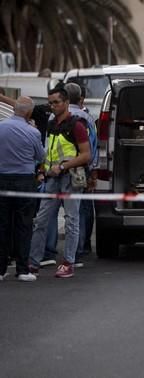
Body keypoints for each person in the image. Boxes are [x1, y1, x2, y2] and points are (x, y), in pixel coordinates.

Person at [28, 87, 91, 278]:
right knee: (41, 220)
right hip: (52, 177)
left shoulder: (77, 125)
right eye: (51, 103)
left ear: (65, 102)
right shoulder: (51, 124)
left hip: (70, 177)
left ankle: (68, 262)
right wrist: (42, 169)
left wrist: (63, 167)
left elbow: (86, 155)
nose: (52, 106)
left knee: (71, 220)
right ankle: (33, 262)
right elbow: (49, 150)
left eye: (56, 102)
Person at [0, 97, 45, 282]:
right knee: (24, 225)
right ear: (28, 113)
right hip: (25, 180)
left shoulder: (1, 126)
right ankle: (22, 268)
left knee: (2, 225)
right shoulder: (32, 132)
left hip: (2, 178)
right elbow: (40, 155)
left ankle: (1, 269)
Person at [64, 83, 97, 267]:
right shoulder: (87, 118)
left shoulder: (56, 117)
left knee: (57, 211)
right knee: (81, 208)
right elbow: (92, 145)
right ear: (81, 98)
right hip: (80, 169)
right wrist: (93, 172)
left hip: (58, 169)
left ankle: (51, 252)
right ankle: (80, 249)